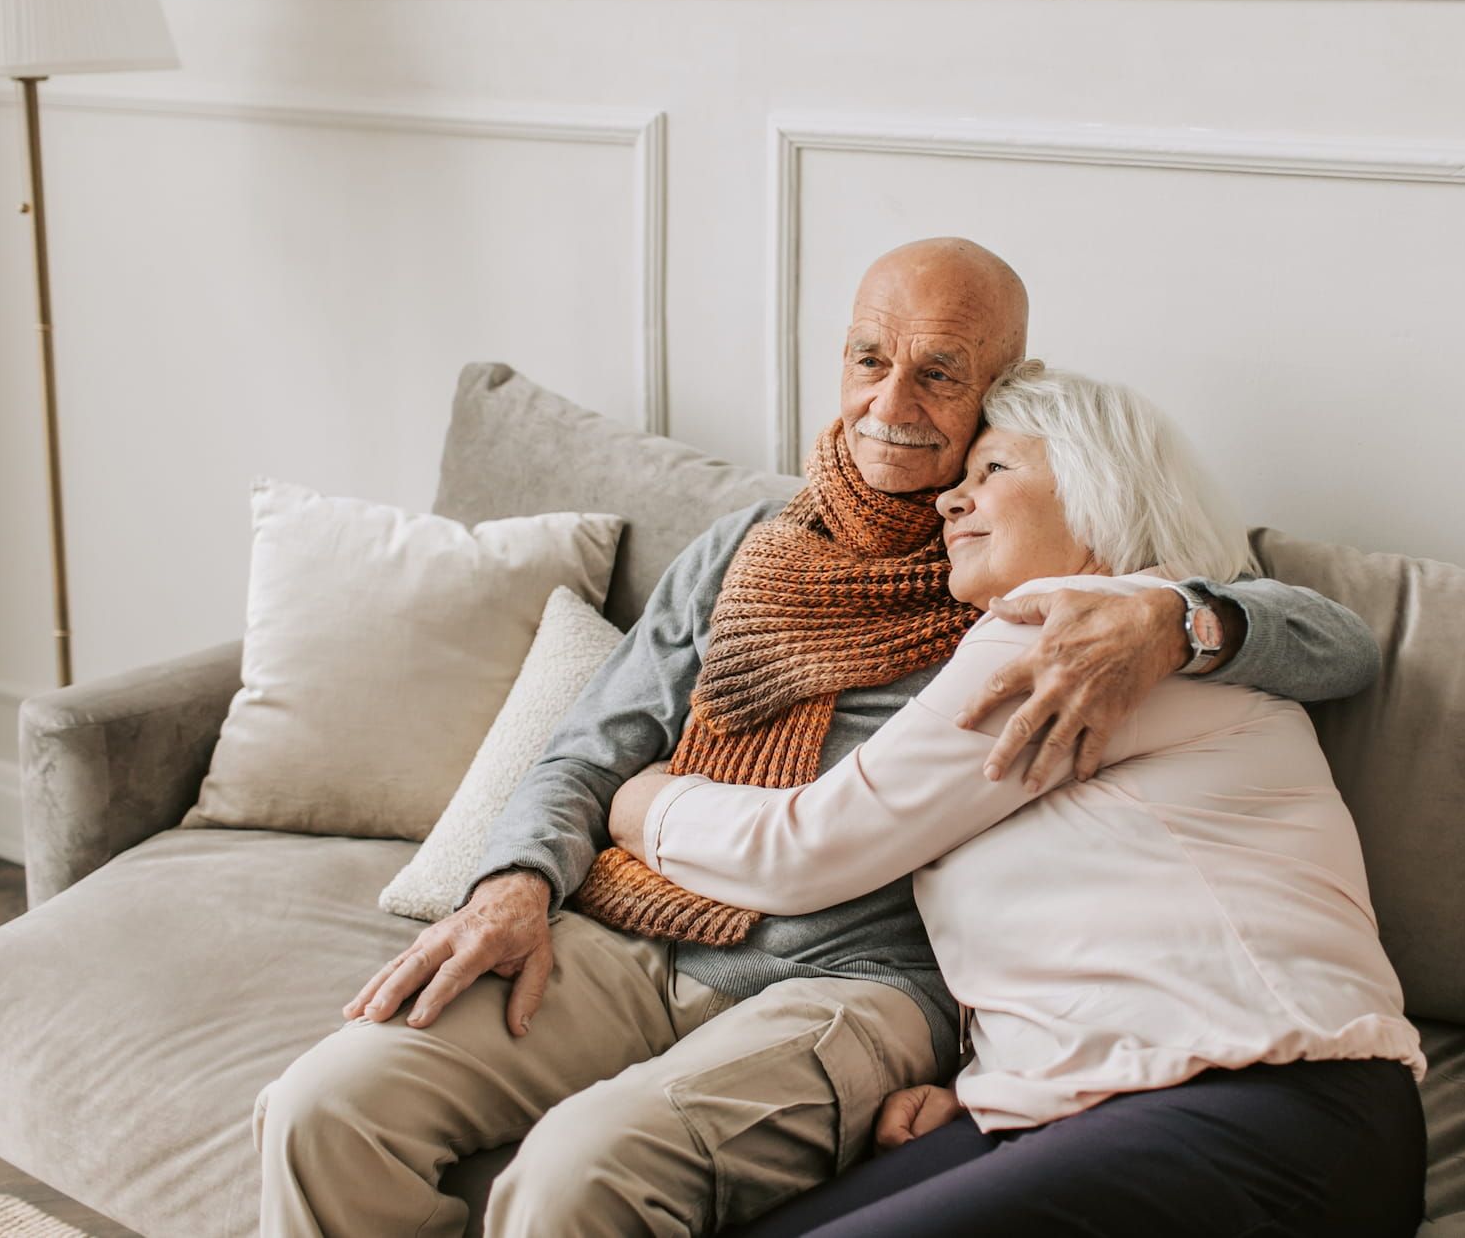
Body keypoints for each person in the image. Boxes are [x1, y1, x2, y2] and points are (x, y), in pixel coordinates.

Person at [253, 239, 1384, 1237]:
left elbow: (1332, 643)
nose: (889, 400)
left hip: (854, 977)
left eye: (939, 373)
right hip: (642, 921)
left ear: (998, 395)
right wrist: (508, 883)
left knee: (572, 1179)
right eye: (866, 359)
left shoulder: (1056, 605)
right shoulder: (749, 545)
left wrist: (1172, 617)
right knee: (321, 1110)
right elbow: (589, 746)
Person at [609, 360, 1427, 1237]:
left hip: (1268, 1104)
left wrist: (641, 802)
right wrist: (982, 1080)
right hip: (1109, 1112)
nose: (951, 502)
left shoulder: (1073, 630)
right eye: (956, 483)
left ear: (1101, 488)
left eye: (993, 471)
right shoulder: (1153, 635)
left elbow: (806, 848)